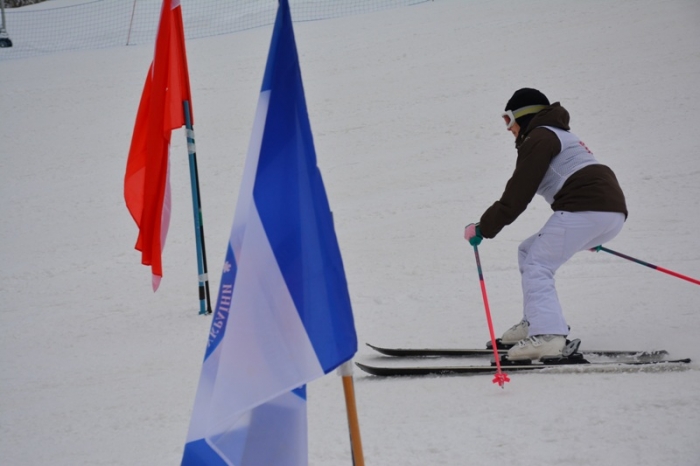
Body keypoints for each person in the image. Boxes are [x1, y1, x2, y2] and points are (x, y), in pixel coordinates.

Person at [464, 88, 628, 361]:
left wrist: (484, 227)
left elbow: (517, 194)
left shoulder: (540, 137)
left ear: (525, 116)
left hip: (587, 208)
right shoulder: (557, 134)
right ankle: (535, 322)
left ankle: (549, 336)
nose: (509, 128)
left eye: (509, 120)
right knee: (528, 251)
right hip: (607, 213)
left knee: (537, 264)